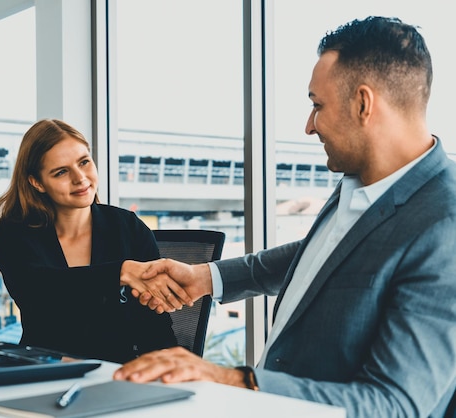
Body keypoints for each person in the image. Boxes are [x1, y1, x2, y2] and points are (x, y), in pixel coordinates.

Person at [114, 16, 456, 417]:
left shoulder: (444, 226)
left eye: (317, 105)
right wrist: (206, 278)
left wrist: (235, 381)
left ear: (364, 104)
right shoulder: (361, 179)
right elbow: (322, 256)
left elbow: (395, 405)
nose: (309, 126)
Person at [0, 118, 181, 364]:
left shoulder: (129, 228)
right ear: (37, 182)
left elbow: (156, 329)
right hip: (45, 373)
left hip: (119, 373)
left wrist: (167, 377)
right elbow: (40, 292)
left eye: (84, 162)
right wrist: (120, 272)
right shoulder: (12, 236)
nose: (80, 178)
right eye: (61, 172)